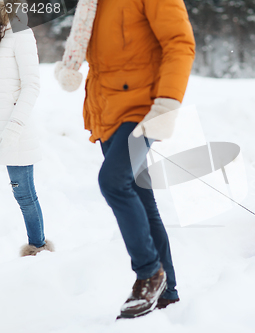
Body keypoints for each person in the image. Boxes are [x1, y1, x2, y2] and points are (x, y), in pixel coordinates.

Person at [54, 0, 195, 318]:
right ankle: (168, 291)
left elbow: (179, 44)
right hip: (108, 113)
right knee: (143, 200)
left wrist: (167, 102)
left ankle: (149, 274)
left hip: (143, 110)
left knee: (113, 181)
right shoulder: (92, 3)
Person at [0, 0, 53, 256]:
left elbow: (31, 85)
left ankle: (38, 248)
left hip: (14, 130)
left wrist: (14, 128)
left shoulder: (20, 33)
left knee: (24, 196)